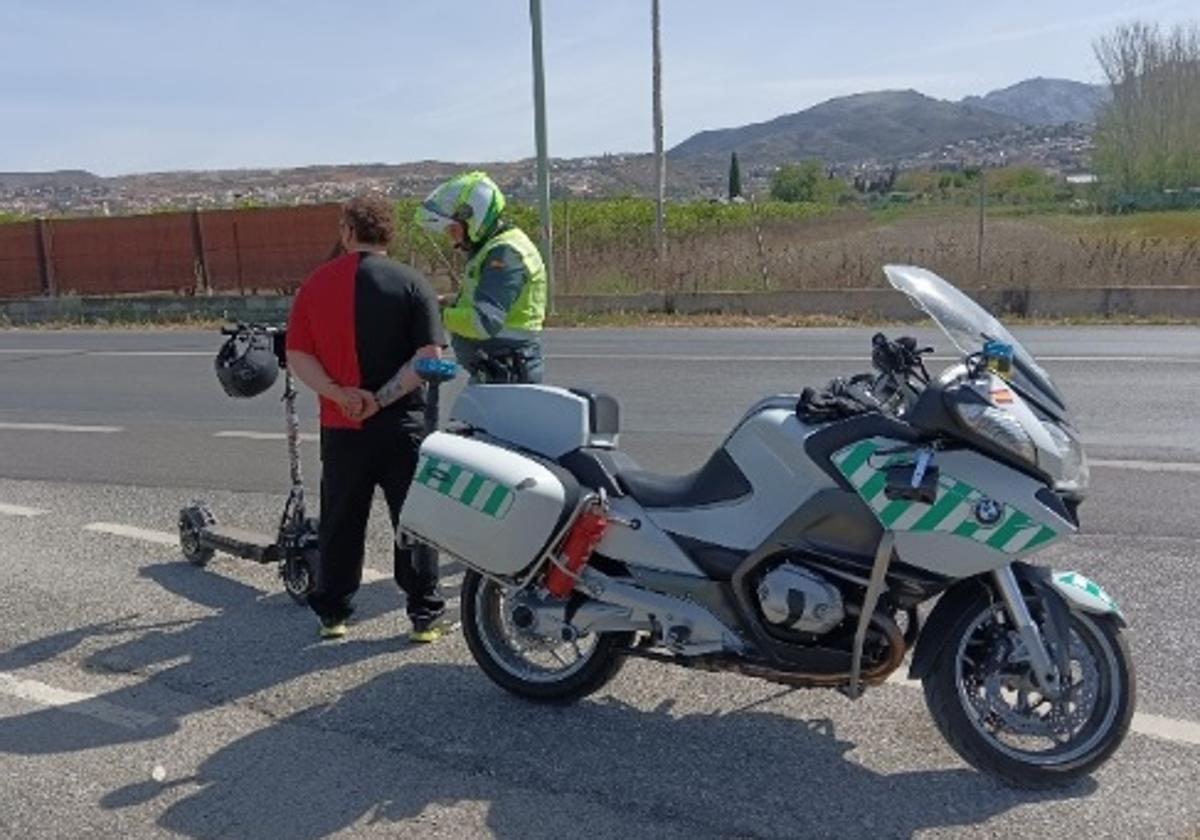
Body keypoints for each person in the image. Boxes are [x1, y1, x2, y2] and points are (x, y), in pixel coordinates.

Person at [286, 195, 445, 642]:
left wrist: (340, 394)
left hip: (343, 425)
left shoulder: (315, 285)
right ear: (389, 234)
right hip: (403, 426)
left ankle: (333, 613)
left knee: (341, 519)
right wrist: (381, 397)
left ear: (347, 231)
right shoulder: (414, 283)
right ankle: (424, 615)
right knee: (413, 520)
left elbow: (298, 353)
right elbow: (429, 357)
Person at [415, 171, 547, 383]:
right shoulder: (491, 248)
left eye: (453, 228)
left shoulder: (505, 253)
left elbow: (483, 322)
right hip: (495, 368)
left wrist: (437, 313)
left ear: (474, 218)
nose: (451, 236)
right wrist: (445, 302)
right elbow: (479, 297)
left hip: (506, 372)